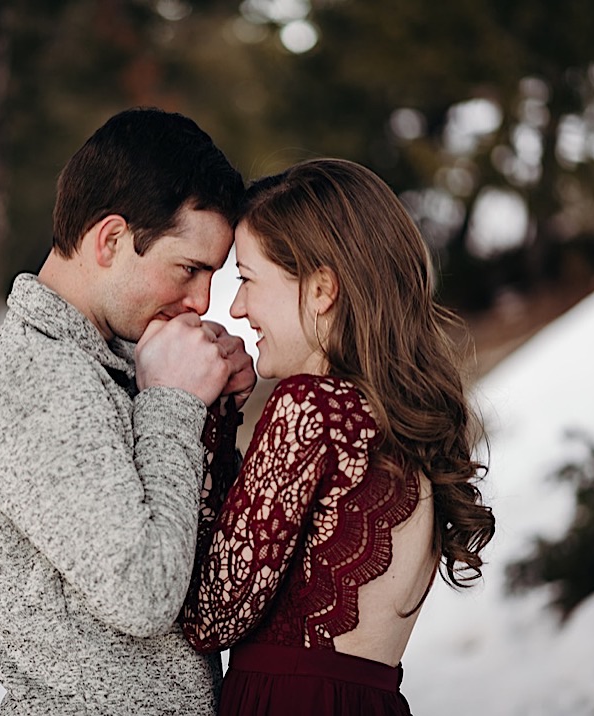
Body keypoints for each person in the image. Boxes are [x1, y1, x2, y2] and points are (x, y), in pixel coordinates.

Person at [0, 107, 255, 715]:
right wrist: (173, 403)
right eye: (189, 269)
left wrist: (209, 411)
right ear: (110, 240)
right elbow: (142, 593)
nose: (200, 301)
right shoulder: (36, 379)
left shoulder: (104, 366)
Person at [179, 158, 496, 715]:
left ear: (322, 287)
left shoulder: (313, 407)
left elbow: (211, 614)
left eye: (248, 280)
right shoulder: (398, 422)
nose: (236, 308)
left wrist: (202, 415)